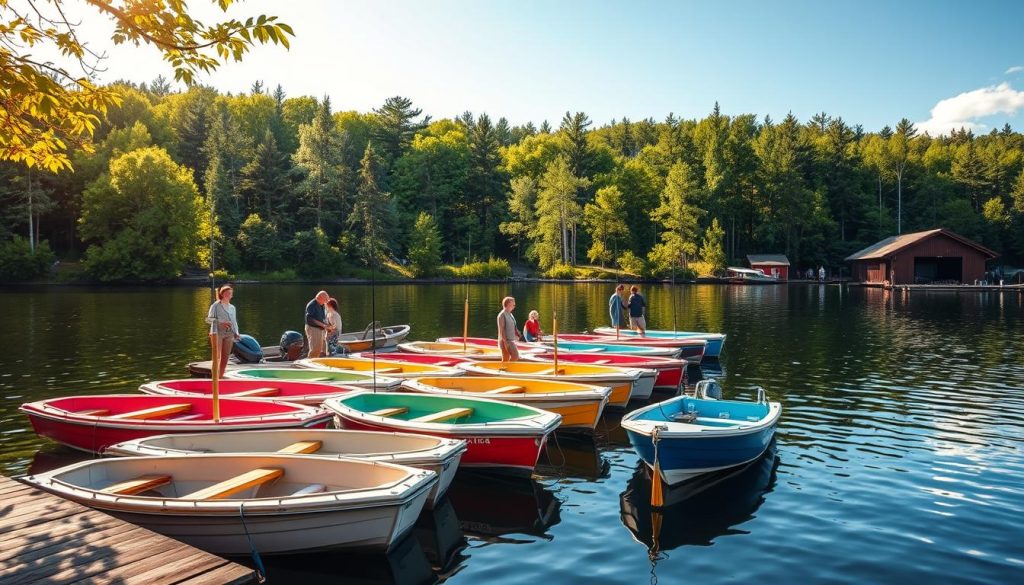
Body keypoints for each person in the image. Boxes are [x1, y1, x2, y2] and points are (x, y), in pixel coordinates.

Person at [205, 284, 240, 378]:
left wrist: (237, 332)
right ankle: (214, 380)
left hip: (229, 334)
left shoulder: (232, 307)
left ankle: (220, 378)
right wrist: (221, 322)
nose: (229, 295)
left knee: (225, 358)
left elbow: (234, 321)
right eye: (227, 293)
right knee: (217, 357)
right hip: (217, 333)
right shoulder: (215, 306)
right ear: (222, 294)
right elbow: (208, 320)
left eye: (230, 293)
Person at [304, 290, 331, 358]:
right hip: (313, 329)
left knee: (324, 348)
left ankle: (321, 362)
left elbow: (321, 318)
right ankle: (310, 363)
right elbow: (310, 319)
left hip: (321, 328)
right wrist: (323, 325)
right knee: (315, 349)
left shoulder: (321, 304)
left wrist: (327, 325)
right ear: (319, 298)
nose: (326, 302)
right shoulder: (312, 305)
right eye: (325, 300)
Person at [496, 296, 522, 362]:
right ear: (508, 304)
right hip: (505, 340)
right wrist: (505, 342)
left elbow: (512, 325)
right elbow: (502, 330)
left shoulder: (510, 314)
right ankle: (507, 369)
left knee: (505, 359)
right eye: (513, 304)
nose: (514, 306)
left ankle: (504, 370)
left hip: (510, 340)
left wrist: (517, 331)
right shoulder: (502, 315)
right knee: (515, 355)